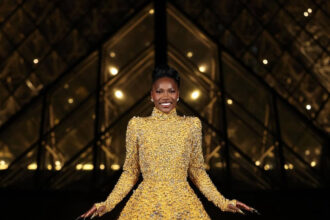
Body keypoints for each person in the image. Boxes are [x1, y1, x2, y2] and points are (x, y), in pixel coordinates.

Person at [78, 65, 259, 219]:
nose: (166, 97)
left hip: (185, 207)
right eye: (160, 91)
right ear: (151, 95)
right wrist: (107, 204)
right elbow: (131, 172)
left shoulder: (192, 125)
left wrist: (223, 202)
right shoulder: (137, 125)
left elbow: (197, 172)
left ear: (178, 95)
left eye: (171, 91)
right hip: (145, 207)